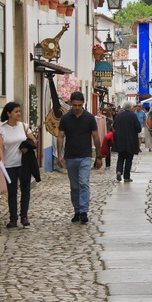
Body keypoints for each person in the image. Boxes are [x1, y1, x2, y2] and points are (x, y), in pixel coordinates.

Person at [57, 91, 102, 224]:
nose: (77, 108)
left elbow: (95, 136)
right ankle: (77, 210)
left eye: (79, 105)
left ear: (83, 104)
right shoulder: (65, 119)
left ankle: (83, 211)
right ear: (70, 103)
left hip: (85, 156)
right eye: (74, 105)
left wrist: (99, 155)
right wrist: (60, 155)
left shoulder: (89, 118)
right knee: (75, 186)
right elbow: (60, 137)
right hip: (70, 156)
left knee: (83, 183)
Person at [0, 101, 37, 228]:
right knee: (12, 191)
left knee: (25, 189)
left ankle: (24, 216)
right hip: (9, 165)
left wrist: (26, 147)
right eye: (16, 111)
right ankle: (13, 218)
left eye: (19, 111)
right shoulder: (2, 129)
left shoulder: (24, 126)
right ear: (9, 113)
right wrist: (2, 160)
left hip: (23, 164)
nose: (19, 113)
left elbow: (33, 140)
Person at [113, 101, 142, 182]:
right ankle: (126, 176)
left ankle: (119, 171)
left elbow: (114, 125)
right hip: (131, 139)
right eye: (134, 107)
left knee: (121, 156)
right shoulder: (133, 116)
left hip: (120, 139)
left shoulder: (119, 115)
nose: (135, 108)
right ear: (129, 108)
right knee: (129, 158)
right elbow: (138, 128)